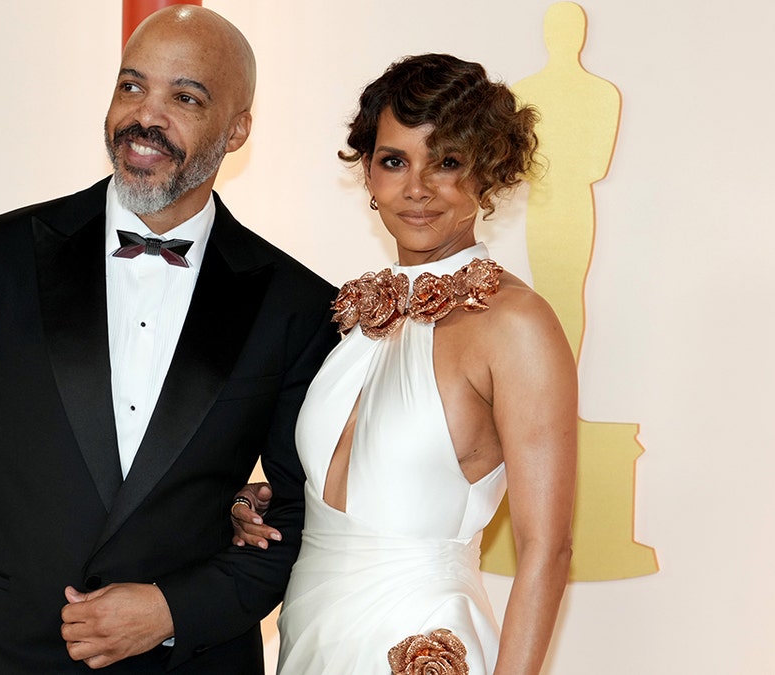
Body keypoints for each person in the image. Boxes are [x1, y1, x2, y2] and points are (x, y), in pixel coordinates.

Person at [0, 6, 337, 674]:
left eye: (184, 97)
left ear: (238, 128)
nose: (146, 117)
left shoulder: (296, 304)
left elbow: (300, 518)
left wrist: (172, 609)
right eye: (132, 86)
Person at [230, 54, 577, 674]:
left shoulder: (516, 324)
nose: (417, 189)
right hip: (311, 632)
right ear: (367, 172)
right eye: (395, 161)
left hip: (420, 640)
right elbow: (355, 492)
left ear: (490, 171)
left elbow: (546, 550)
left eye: (447, 162)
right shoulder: (357, 317)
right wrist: (258, 505)